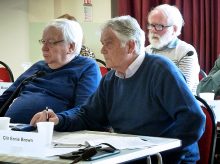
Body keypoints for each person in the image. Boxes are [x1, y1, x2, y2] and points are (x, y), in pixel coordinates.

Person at [31, 15, 205, 163]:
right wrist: (59, 120)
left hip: (168, 158)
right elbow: (88, 115)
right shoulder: (111, 79)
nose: (102, 50)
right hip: (130, 156)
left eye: (108, 43)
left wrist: (162, 150)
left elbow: (194, 119)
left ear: (130, 46)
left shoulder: (161, 70)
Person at [0, 18, 101, 123]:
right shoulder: (38, 66)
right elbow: (6, 98)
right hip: (11, 131)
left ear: (70, 46)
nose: (44, 48)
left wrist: (58, 119)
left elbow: (84, 110)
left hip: (52, 132)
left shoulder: (86, 67)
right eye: (43, 42)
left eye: (51, 42)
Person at [145, 4, 200, 94]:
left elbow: (182, 91)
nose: (153, 30)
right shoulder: (145, 51)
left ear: (174, 29)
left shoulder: (186, 52)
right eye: (151, 25)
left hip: (180, 106)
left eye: (159, 26)